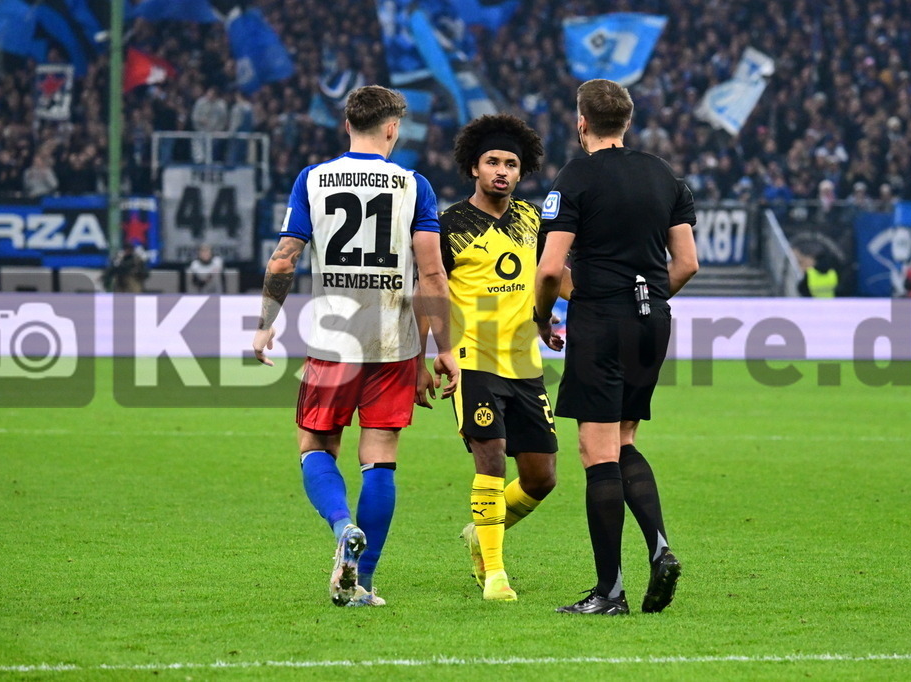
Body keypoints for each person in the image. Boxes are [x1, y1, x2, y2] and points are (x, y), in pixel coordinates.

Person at [251, 85, 459, 608]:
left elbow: (284, 258)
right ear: (393, 128)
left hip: (332, 341)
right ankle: (361, 582)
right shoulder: (414, 186)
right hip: (394, 343)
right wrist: (444, 348)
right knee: (380, 460)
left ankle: (343, 526)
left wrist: (266, 322)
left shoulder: (312, 179)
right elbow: (432, 274)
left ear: (347, 125)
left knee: (315, 447)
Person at [534, 79, 699, 616]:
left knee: (595, 451)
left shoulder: (576, 177)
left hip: (601, 321)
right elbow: (688, 263)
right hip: (653, 322)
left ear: (581, 122)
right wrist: (646, 298)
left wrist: (543, 317)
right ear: (627, 121)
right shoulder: (664, 175)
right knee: (624, 438)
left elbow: (550, 269)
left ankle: (609, 592)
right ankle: (660, 547)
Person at [429, 114, 568, 602]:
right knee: (489, 463)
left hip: (524, 363)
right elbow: (430, 290)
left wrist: (561, 313)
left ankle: (480, 532)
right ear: (474, 167)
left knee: (541, 477)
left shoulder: (531, 219)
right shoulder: (450, 225)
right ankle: (494, 573)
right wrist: (430, 351)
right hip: (474, 360)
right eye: (492, 162)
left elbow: (550, 275)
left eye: (511, 163)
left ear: (521, 170)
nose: (502, 171)